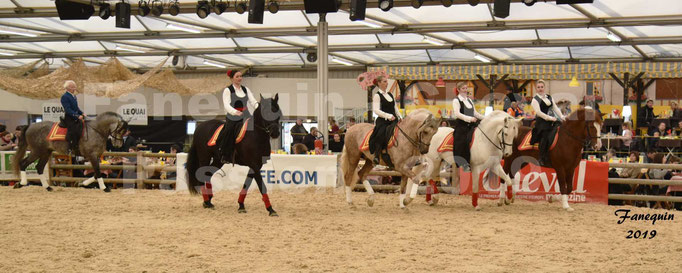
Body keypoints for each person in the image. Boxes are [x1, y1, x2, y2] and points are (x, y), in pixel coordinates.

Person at [219, 70, 259, 163]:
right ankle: (225, 154)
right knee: (229, 131)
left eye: (241, 76)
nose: (240, 78)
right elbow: (226, 105)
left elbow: (253, 101)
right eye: (237, 76)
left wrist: (258, 107)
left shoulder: (246, 89)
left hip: (246, 114)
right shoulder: (228, 90)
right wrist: (235, 112)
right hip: (233, 116)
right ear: (232, 78)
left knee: (257, 128)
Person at [530, 79, 566, 167]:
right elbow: (538, 112)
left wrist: (561, 117)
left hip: (552, 120)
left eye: (542, 87)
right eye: (538, 87)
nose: (540, 89)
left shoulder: (549, 97)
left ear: (544, 87)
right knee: (545, 135)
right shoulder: (535, 100)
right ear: (536, 88)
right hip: (541, 122)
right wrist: (549, 118)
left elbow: (555, 108)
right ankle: (541, 158)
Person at [368, 76, 402, 165]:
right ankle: (377, 155)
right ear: (379, 83)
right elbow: (376, 110)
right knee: (381, 133)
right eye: (384, 81)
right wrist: (388, 116)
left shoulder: (390, 94)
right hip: (383, 120)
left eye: (386, 81)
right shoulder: (377, 96)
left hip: (394, 119)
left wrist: (400, 116)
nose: (386, 83)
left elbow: (395, 107)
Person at [452, 81, 484, 169]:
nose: (465, 90)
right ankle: (463, 163)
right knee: (462, 141)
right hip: (462, 126)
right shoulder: (456, 100)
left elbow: (475, 113)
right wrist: (470, 119)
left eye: (466, 88)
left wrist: (485, 118)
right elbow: (457, 114)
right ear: (458, 90)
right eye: (463, 88)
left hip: (472, 125)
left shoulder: (469, 100)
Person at [61, 80, 85, 155]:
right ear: (68, 88)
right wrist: (77, 116)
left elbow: (76, 108)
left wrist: (82, 113)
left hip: (76, 117)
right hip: (69, 118)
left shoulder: (74, 96)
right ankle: (71, 148)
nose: (74, 89)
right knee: (73, 131)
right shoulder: (64, 97)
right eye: (73, 87)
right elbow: (68, 109)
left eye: (75, 87)